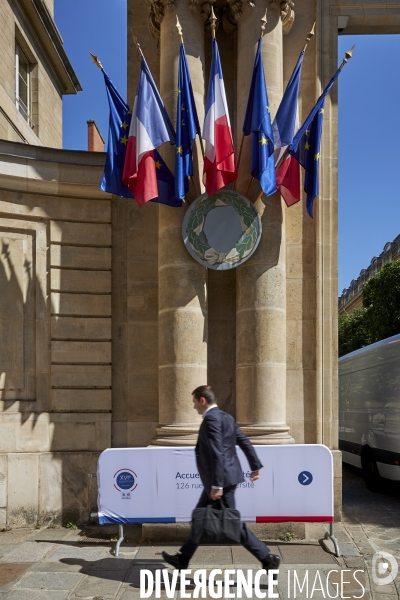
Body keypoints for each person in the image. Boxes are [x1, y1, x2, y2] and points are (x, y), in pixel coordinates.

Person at [162, 385, 281, 573]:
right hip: (223, 479)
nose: (194, 407)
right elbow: (243, 441)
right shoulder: (226, 417)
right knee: (201, 517)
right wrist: (255, 465)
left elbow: (218, 453)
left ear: (202, 400)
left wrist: (217, 484)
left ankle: (268, 560)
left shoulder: (211, 420)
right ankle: (183, 559)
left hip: (220, 482)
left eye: (194, 402)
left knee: (231, 525)